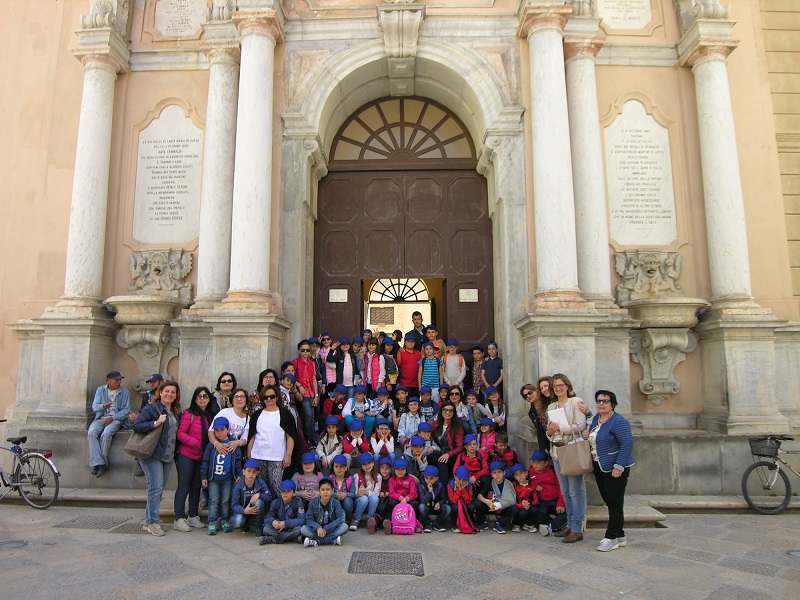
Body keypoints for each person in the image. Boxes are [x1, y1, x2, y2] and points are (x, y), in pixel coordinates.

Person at [584, 389, 634, 552]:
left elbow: (626, 444)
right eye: (599, 401)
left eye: (605, 401)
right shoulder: (596, 419)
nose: (601, 404)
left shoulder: (618, 421)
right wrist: (587, 434)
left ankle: (611, 537)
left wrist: (619, 467)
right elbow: (594, 438)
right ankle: (620, 535)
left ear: (612, 404)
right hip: (600, 466)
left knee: (614, 502)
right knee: (610, 501)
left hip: (615, 468)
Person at [546, 372, 590, 544]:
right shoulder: (551, 407)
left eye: (561, 385)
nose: (558, 388)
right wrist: (551, 431)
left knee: (575, 491)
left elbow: (580, 425)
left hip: (572, 450)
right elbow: (549, 432)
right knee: (565, 492)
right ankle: (570, 524)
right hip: (557, 451)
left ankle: (577, 528)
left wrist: (559, 428)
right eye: (555, 386)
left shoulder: (575, 402)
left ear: (567, 386)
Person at [134, 380, 181, 537]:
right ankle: (153, 521)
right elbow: (137, 425)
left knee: (157, 488)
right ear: (160, 392)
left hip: (167, 455)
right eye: (166, 391)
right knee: (155, 487)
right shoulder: (151, 408)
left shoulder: (175, 411)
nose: (169, 394)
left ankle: (149, 520)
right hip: (152, 453)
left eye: (173, 392)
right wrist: (155, 423)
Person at [247, 384, 301, 499]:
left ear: (277, 397)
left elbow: (290, 436)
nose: (269, 399)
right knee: (262, 488)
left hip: (277, 457)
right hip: (258, 456)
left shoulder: (285, 414)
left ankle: (282, 511)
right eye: (266, 397)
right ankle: (265, 513)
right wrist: (249, 455)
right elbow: (252, 436)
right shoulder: (257, 415)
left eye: (271, 396)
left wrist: (288, 455)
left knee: (276, 487)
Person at [173, 386, 214, 532]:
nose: (202, 399)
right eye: (199, 396)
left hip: (201, 457)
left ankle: (193, 515)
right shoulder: (188, 414)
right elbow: (181, 433)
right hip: (187, 455)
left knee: (196, 486)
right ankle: (178, 517)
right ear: (195, 399)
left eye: (205, 396)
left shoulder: (208, 416)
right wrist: (195, 442)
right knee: (184, 485)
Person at [201, 416, 242, 535]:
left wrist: (239, 474)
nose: (219, 433)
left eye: (222, 430)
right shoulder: (211, 446)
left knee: (225, 500)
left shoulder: (232, 445)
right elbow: (205, 462)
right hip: (213, 478)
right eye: (216, 430)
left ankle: (224, 520)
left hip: (228, 479)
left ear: (228, 429)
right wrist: (203, 476)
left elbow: (238, 461)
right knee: (214, 500)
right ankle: (213, 521)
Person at [87, 370, 131, 477]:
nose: (119, 382)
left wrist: (113, 418)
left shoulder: (124, 392)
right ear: (108, 380)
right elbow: (94, 407)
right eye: (116, 380)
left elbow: (126, 410)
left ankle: (102, 464)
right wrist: (103, 406)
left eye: (120, 380)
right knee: (91, 432)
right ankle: (98, 462)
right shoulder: (100, 390)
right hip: (100, 418)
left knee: (106, 434)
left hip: (115, 419)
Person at [528, 449, 567, 536]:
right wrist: (534, 488)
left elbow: (560, 487)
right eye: (533, 462)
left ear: (546, 463)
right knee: (539, 513)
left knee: (566, 512)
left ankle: (551, 526)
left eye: (538, 462)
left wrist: (560, 503)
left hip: (555, 500)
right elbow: (526, 486)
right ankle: (552, 525)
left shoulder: (553, 472)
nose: (535, 465)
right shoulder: (529, 473)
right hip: (542, 502)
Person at [301, 477, 349, 547]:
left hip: (331, 529)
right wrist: (317, 528)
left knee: (344, 527)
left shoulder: (336, 502)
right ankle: (332, 539)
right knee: (303, 529)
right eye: (323, 490)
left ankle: (317, 541)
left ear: (332, 491)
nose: (325, 492)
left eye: (328, 489)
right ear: (319, 491)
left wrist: (327, 528)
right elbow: (309, 519)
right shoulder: (313, 502)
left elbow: (341, 518)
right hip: (317, 530)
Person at [476, 460, 518, 534]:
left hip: (502, 508)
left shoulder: (508, 483)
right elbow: (479, 496)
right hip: (490, 507)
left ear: (504, 473)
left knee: (514, 508)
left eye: (499, 472)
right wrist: (487, 502)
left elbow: (512, 500)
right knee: (478, 504)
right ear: (491, 474)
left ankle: (500, 523)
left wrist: (497, 505)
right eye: (494, 473)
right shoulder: (489, 483)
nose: (497, 475)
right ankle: (483, 522)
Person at [207, 387, 250, 459]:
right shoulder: (224, 412)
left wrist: (237, 443)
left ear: (246, 400)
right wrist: (216, 444)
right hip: (217, 450)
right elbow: (210, 431)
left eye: (242, 397)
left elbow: (245, 439)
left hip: (233, 453)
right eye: (236, 397)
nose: (239, 399)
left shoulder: (247, 419)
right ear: (232, 401)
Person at [259, 479, 306, 545]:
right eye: (283, 491)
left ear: (294, 493)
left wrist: (286, 523)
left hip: (290, 527)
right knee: (266, 529)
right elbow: (267, 517)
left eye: (288, 491)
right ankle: (292, 538)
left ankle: (274, 539)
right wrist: (273, 521)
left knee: (299, 529)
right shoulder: (275, 502)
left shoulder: (298, 502)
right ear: (280, 492)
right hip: (278, 528)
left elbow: (302, 520)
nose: (285, 493)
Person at [231, 458, 270, 534]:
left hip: (257, 512)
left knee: (259, 502)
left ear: (257, 473)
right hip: (244, 511)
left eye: (254, 472)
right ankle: (245, 524)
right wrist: (244, 511)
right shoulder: (238, 485)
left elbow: (269, 497)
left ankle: (259, 528)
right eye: (249, 471)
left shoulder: (261, 483)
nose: (251, 474)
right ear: (244, 472)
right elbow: (234, 505)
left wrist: (259, 495)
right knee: (237, 522)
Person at [292, 339, 319, 446]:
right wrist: (299, 385)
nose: (305, 352)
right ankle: (308, 438)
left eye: (307, 350)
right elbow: (291, 377)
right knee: (308, 415)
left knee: (311, 417)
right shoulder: (295, 363)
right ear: (299, 351)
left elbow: (313, 379)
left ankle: (311, 439)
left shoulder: (311, 363)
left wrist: (316, 395)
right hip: (302, 394)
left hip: (311, 393)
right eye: (303, 350)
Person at [431, 401, 465, 481]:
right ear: (441, 411)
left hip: (453, 455)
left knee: (441, 463)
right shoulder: (435, 424)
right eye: (445, 410)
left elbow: (460, 447)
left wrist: (449, 454)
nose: (447, 412)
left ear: (454, 413)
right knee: (430, 455)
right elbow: (423, 432)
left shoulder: (457, 427)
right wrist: (407, 441)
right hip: (440, 451)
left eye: (450, 410)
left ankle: (444, 489)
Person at [385, 457, 419, 532]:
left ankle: (414, 523)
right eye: (398, 469)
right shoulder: (391, 480)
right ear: (394, 470)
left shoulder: (410, 479)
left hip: (408, 500)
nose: (400, 471)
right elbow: (392, 493)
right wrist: (400, 498)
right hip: (398, 500)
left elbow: (414, 493)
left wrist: (406, 499)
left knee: (415, 503)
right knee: (392, 503)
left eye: (402, 469)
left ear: (406, 470)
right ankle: (392, 523)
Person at [416, 464, 451, 532]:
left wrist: (439, 503)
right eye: (426, 477)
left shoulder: (440, 485)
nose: (428, 480)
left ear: (436, 478)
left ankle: (437, 523)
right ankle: (427, 523)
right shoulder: (422, 485)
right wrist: (429, 492)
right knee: (421, 507)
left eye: (431, 478)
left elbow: (444, 499)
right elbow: (422, 501)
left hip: (436, 507)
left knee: (448, 508)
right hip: (427, 507)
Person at [350, 453, 380, 531]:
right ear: (361, 466)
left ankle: (369, 520)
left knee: (375, 498)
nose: (367, 466)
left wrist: (367, 492)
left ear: (373, 463)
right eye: (364, 464)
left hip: (371, 504)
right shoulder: (356, 476)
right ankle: (355, 520)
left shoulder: (378, 476)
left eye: (369, 463)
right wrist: (358, 493)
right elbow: (353, 493)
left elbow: (377, 493)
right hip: (360, 502)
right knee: (364, 499)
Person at [447, 465, 478, 533]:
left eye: (463, 480)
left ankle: (470, 523)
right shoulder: (450, 484)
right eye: (459, 479)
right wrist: (458, 490)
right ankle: (454, 524)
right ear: (455, 477)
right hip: (455, 503)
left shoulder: (469, 485)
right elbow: (453, 500)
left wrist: (463, 490)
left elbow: (468, 501)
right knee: (455, 507)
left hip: (465, 503)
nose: (461, 482)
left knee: (471, 507)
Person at [523, 383, 550, 451]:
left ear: (537, 391)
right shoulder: (531, 412)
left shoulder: (548, 401)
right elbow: (540, 430)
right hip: (548, 442)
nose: (528, 396)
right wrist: (543, 447)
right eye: (525, 396)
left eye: (530, 392)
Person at [396, 333, 422, 399]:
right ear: (405, 342)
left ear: (415, 343)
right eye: (408, 341)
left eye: (412, 341)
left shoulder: (419, 354)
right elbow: (397, 366)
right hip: (404, 384)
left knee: (415, 405)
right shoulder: (400, 353)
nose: (410, 343)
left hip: (416, 384)